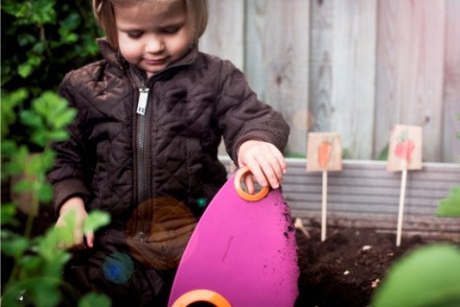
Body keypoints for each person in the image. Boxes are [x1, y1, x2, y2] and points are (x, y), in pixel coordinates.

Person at [47, 0, 290, 306]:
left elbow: (251, 117)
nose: (154, 46)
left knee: (228, 293)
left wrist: (254, 141)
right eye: (135, 34)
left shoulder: (215, 78)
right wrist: (71, 203)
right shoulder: (84, 87)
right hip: (114, 242)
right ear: (111, 24)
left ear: (194, 18)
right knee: (78, 291)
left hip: (195, 240)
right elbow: (64, 153)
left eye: (171, 29)